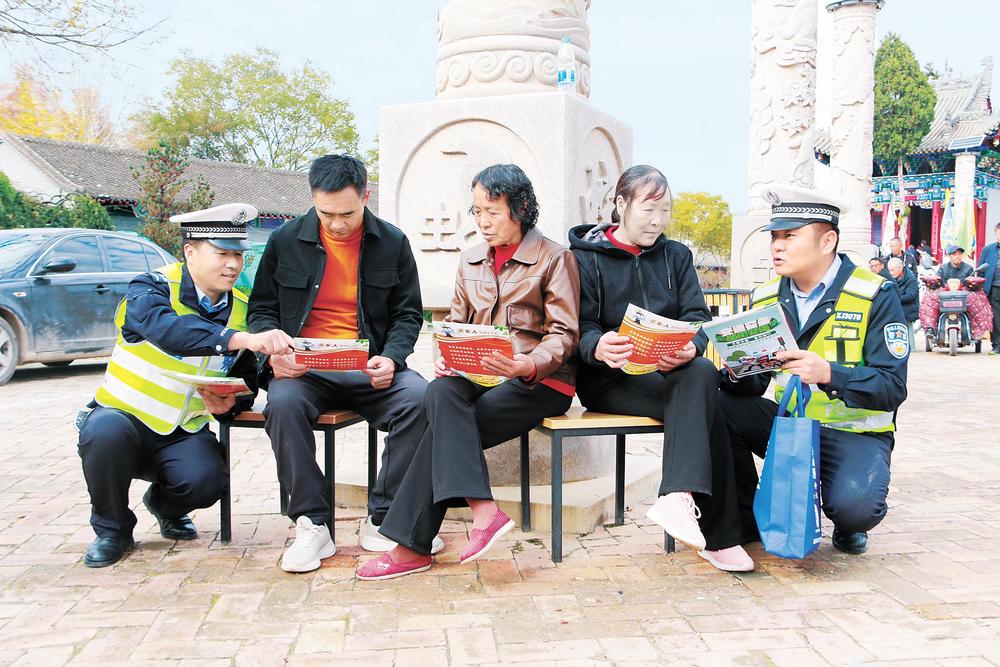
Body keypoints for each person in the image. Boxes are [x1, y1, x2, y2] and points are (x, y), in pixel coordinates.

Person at [356, 164, 580, 580]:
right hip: (480, 375)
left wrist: (528, 363)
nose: (483, 222)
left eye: (492, 211)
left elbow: (565, 334)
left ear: (521, 208)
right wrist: (448, 356)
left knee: (442, 428)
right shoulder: (471, 259)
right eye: (477, 212)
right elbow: (455, 325)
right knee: (439, 393)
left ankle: (411, 547)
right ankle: (482, 509)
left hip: (540, 381)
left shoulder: (554, 257)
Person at [76, 203, 295, 567]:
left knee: (207, 481)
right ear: (190, 252)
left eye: (238, 255)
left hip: (181, 432)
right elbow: (168, 330)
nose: (233, 265)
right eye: (222, 254)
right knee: (105, 433)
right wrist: (235, 339)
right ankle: (112, 530)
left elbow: (244, 378)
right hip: (123, 419)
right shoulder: (152, 287)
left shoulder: (242, 309)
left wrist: (231, 404)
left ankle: (164, 505)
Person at [249, 155, 432, 573]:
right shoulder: (284, 240)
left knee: (422, 398)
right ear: (313, 199)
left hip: (369, 367)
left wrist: (392, 357)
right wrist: (273, 352)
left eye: (347, 214)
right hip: (305, 371)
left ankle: (384, 518)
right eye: (325, 213)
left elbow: (407, 314)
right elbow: (261, 310)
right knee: (282, 405)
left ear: (366, 196)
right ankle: (312, 524)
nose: (335, 224)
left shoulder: (393, 242)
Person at [567, 165, 752, 573]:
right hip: (610, 380)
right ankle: (723, 534)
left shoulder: (677, 256)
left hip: (670, 372)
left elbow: (697, 317)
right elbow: (578, 326)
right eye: (648, 209)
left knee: (701, 373)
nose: (658, 220)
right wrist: (598, 346)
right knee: (708, 406)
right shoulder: (583, 258)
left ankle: (677, 497)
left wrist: (690, 346)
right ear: (621, 205)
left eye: (665, 210)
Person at [719, 185, 909, 556]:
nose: (777, 246)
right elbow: (753, 386)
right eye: (774, 237)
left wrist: (828, 374)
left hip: (852, 433)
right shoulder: (766, 297)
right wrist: (736, 370)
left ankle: (847, 520)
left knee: (856, 507)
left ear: (827, 241)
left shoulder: (874, 294)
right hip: (789, 424)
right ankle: (745, 516)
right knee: (718, 405)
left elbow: (891, 387)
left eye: (790, 236)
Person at [887, 257, 919, 349]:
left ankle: (910, 346)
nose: (890, 273)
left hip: (909, 307)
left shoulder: (911, 279)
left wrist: (894, 299)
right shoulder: (890, 278)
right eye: (889, 270)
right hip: (897, 304)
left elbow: (910, 296)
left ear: (900, 268)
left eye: (893, 270)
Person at [981, 222, 1000, 354]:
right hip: (994, 288)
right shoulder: (988, 249)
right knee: (996, 318)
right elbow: (981, 268)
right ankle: (997, 345)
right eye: (999, 233)